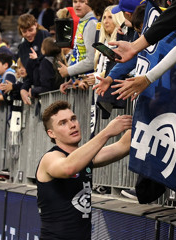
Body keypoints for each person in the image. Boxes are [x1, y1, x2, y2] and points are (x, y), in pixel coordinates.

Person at [36, 101, 132, 239]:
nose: (72, 125)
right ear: (51, 133)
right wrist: (107, 132)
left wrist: (147, 109)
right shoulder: (50, 158)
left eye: (73, 118)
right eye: (63, 123)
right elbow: (69, 168)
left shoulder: (86, 158)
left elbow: (124, 145)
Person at [58, 0, 98, 84]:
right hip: (80, 82)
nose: (77, 5)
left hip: (88, 83)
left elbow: (91, 60)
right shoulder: (82, 21)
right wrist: (72, 81)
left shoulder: (91, 24)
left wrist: (68, 71)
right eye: (75, 1)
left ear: (90, 3)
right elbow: (79, 54)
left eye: (82, 1)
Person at [17, 14, 51, 105]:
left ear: (36, 25)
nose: (28, 34)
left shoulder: (45, 36)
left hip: (50, 89)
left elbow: (51, 64)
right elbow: (29, 74)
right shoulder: (22, 48)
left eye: (30, 30)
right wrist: (23, 88)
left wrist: (37, 59)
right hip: (35, 91)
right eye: (24, 31)